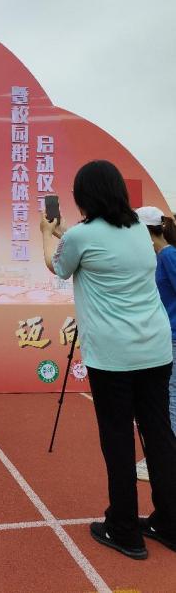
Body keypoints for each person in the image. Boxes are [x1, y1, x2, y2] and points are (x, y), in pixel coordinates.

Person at [40, 160, 176, 559]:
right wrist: (66, 235)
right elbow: (95, 248)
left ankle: (124, 529)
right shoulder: (137, 230)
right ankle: (170, 523)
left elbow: (58, 265)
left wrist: (47, 234)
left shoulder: (81, 236)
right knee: (159, 435)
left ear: (84, 197)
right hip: (155, 348)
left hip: (114, 356)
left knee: (117, 438)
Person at [134, 206, 176, 482]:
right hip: (166, 334)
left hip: (173, 335)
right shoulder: (161, 256)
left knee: (169, 396)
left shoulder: (169, 255)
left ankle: (163, 459)